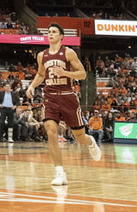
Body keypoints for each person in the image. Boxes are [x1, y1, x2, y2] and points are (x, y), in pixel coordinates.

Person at [26, 23, 101, 186]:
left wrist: (66, 73)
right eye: (49, 32)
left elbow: (82, 74)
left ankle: (90, 142)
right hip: (50, 97)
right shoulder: (42, 55)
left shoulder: (68, 52)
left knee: (79, 138)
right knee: (51, 132)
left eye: (53, 32)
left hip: (68, 97)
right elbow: (40, 74)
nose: (50, 34)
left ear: (61, 36)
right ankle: (60, 173)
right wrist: (32, 86)